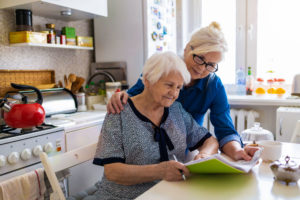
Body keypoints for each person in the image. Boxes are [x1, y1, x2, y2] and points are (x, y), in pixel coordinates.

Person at [107, 22, 259, 161]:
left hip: (183, 155)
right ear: (187, 48)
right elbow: (133, 98)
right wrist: (121, 96)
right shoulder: (162, 68)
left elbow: (225, 131)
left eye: (210, 65)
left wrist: (237, 151)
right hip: (146, 155)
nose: (201, 68)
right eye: (199, 58)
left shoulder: (214, 86)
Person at [92, 52, 219, 200]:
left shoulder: (176, 110)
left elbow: (210, 141)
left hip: (167, 194)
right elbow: (112, 172)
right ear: (147, 80)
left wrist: (204, 155)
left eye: (178, 87)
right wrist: (160, 171)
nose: (174, 93)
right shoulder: (119, 112)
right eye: (169, 85)